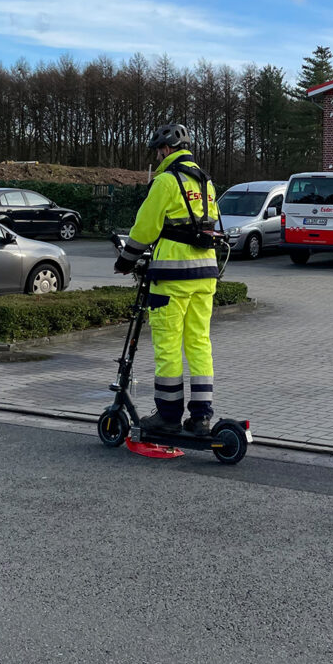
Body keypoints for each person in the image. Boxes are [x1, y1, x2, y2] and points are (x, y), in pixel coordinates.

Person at [114, 123, 221, 437]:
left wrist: (126, 260)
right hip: (205, 275)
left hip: (172, 278)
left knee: (168, 346)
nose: (158, 154)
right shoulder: (206, 183)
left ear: (166, 149)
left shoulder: (165, 181)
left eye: (159, 150)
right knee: (199, 343)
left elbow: (145, 228)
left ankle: (169, 415)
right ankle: (201, 417)